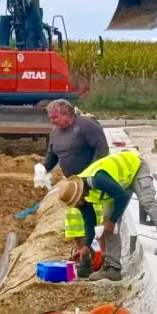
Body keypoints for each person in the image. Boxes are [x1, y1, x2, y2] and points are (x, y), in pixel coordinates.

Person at [57, 152, 157, 282]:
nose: (76, 206)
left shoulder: (97, 179)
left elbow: (121, 196)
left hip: (136, 168)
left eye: (75, 202)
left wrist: (112, 220)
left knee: (147, 202)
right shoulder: (83, 197)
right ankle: (112, 268)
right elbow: (89, 220)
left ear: (79, 195)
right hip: (117, 185)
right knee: (107, 225)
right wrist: (86, 246)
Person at [33, 99, 109, 277]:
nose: (53, 121)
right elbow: (52, 156)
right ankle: (84, 257)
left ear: (67, 114)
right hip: (73, 186)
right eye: (50, 118)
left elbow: (102, 151)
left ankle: (106, 261)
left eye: (55, 117)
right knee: (76, 223)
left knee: (98, 224)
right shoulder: (55, 133)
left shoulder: (87, 126)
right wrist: (43, 169)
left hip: (92, 182)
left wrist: (90, 175)